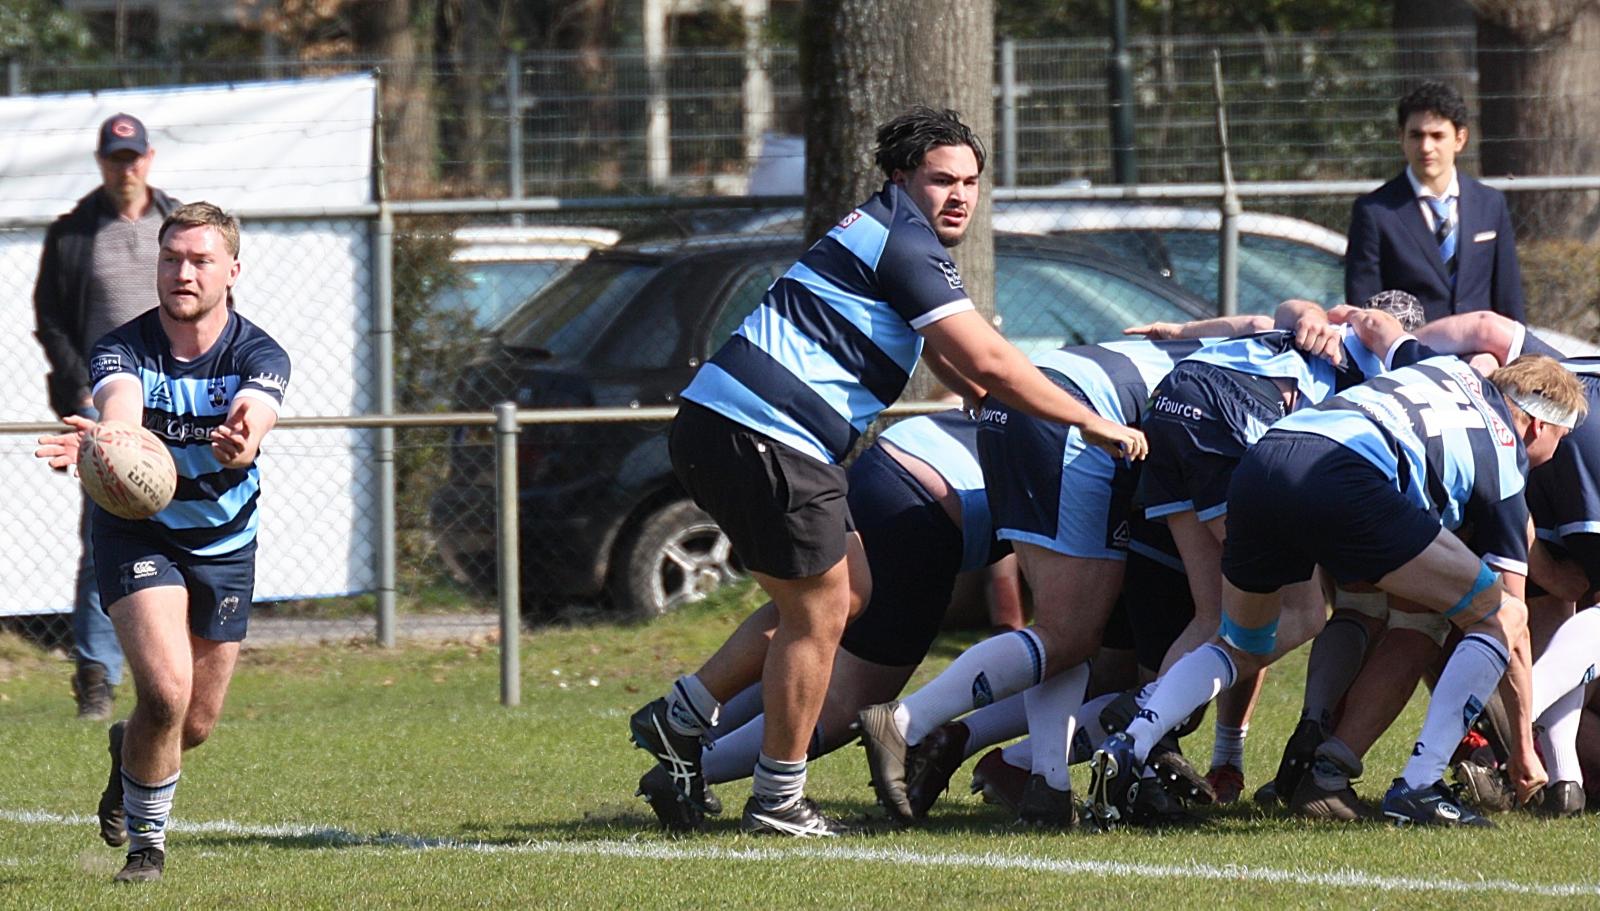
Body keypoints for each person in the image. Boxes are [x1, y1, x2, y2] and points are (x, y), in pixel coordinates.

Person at [626, 106, 1145, 838]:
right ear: (901, 178)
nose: (959, 195)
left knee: (848, 592)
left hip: (743, 430)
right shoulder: (906, 242)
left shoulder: (891, 231)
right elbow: (992, 356)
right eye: (942, 180)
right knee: (819, 612)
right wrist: (1088, 420)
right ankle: (776, 797)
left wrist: (968, 386)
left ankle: (683, 716)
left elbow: (935, 343)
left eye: (970, 182)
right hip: (764, 433)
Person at [1090, 352, 1585, 829]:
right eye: (1560, 438)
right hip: (1346, 476)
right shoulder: (1504, 450)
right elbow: (1511, 622)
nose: (1555, 452)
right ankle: (1420, 784)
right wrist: (1523, 749)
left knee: (1243, 642)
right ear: (1538, 426)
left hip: (1266, 457)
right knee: (1502, 615)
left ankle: (1132, 742)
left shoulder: (1448, 369)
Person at [34, 202, 290, 882]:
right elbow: (119, 404)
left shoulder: (258, 354)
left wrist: (243, 440)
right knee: (168, 693)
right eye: (171, 258)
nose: (183, 272)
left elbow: (256, 412)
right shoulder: (122, 347)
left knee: (193, 723)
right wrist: (106, 441)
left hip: (226, 543)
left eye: (201, 260)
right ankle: (147, 849)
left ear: (232, 271)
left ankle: (129, 746)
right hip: (138, 535)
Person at [635, 408, 1013, 830]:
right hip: (929, 506)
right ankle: (696, 771)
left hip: (892, 458)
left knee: (808, 623)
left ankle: (684, 746)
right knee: (844, 700)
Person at [32, 112, 180, 720]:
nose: (126, 169)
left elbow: (213, 307)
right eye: (116, 159)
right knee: (106, 536)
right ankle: (96, 674)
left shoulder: (178, 226)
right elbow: (52, 320)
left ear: (149, 159)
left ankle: (172, 668)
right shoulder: (73, 234)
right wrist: (79, 390)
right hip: (103, 408)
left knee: (189, 531)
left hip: (176, 399)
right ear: (101, 163)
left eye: (134, 157)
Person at [1346, 82, 1525, 324]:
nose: (1426, 147)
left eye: (1437, 136)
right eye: (1416, 135)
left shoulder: (1490, 204)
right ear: (1401, 138)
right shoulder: (1375, 212)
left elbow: (1509, 298)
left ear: (1460, 139)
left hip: (1481, 345)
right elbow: (1363, 306)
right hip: (1412, 345)